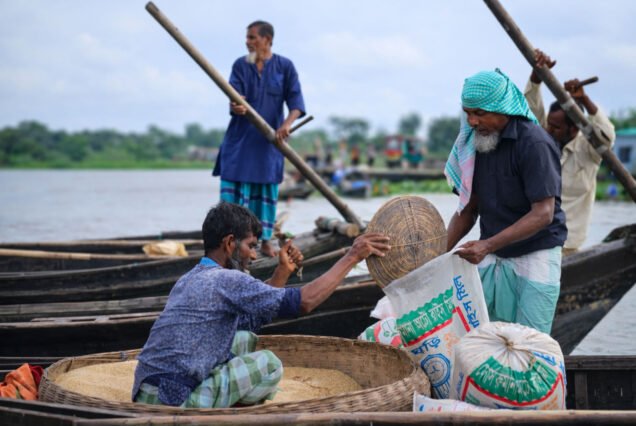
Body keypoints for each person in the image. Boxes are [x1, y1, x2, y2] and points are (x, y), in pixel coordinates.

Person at [132, 202, 390, 408]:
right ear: (230, 243)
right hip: (170, 399)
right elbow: (304, 303)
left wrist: (282, 273)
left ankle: (215, 390)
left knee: (243, 337)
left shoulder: (191, 277)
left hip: (146, 389)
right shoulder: (226, 279)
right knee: (269, 364)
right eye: (250, 246)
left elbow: (250, 318)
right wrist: (352, 256)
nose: (254, 255)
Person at [445, 69, 567, 334]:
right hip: (493, 254)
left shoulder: (534, 143)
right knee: (484, 338)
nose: (472, 121)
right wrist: (435, 256)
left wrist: (486, 245)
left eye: (479, 113)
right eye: (467, 113)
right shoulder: (476, 142)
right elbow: (469, 209)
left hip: (536, 254)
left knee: (529, 342)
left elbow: (543, 214)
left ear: (502, 108)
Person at [213, 20, 306, 258]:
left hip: (267, 145)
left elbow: (296, 104)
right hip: (240, 144)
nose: (248, 41)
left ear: (267, 39)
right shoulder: (241, 66)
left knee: (264, 198)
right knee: (232, 200)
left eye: (253, 37)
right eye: (248, 37)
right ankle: (229, 245)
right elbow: (234, 98)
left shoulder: (284, 67)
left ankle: (264, 242)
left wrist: (286, 126)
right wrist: (236, 106)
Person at [524, 49, 616, 254]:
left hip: (569, 242)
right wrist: (536, 76)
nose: (549, 129)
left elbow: (607, 135)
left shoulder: (589, 148)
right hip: (534, 238)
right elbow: (529, 111)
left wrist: (583, 99)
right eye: (549, 124)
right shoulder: (543, 141)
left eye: (556, 127)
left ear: (574, 129)